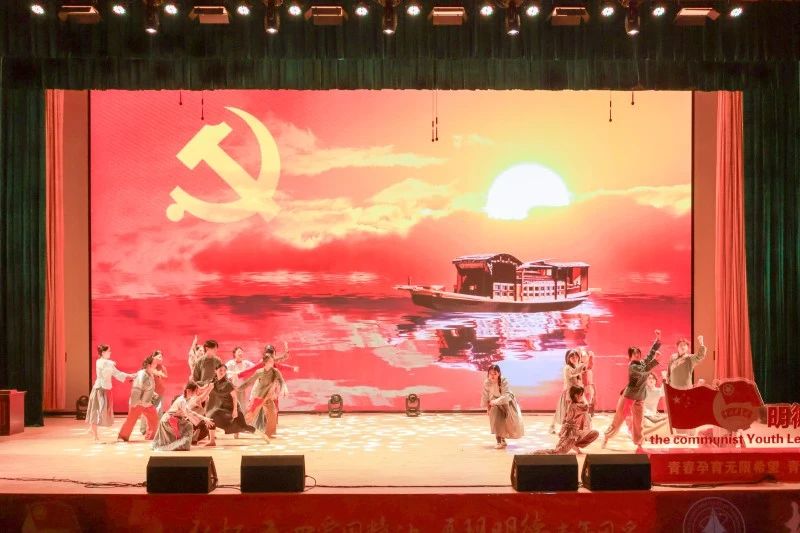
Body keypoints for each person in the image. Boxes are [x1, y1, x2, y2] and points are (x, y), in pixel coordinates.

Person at [601, 329, 661, 453]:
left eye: (638, 353)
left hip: (639, 397)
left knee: (638, 423)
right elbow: (644, 371)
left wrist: (657, 341)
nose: (637, 355)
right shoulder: (632, 366)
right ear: (630, 356)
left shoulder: (642, 363)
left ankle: (639, 443)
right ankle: (607, 437)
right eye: (634, 354)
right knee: (619, 419)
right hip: (629, 397)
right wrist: (655, 360)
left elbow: (649, 355)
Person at [86, 344, 134, 441]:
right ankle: (93, 432)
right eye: (108, 351)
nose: (110, 353)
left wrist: (129, 375)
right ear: (103, 352)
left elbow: (116, 373)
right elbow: (105, 370)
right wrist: (110, 363)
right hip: (100, 389)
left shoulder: (108, 363)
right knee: (96, 410)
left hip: (105, 389)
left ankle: (92, 430)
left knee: (99, 410)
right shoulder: (100, 362)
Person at [533, 385, 598, 455]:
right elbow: (586, 407)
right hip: (571, 434)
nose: (582, 396)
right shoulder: (576, 406)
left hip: (577, 433)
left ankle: (574, 445)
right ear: (576, 395)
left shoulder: (574, 404)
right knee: (558, 452)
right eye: (581, 395)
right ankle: (539, 454)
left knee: (594, 433)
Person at [152, 381, 216, 451]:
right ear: (189, 391)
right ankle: (182, 444)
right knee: (188, 426)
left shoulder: (185, 399)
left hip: (174, 420)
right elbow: (189, 413)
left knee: (189, 425)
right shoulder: (182, 400)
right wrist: (204, 418)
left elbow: (190, 412)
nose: (196, 393)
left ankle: (185, 442)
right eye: (195, 391)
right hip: (169, 421)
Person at [241, 351, 287, 439]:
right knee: (250, 414)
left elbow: (281, 380)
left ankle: (269, 434)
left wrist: (284, 389)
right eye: (270, 361)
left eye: (272, 361)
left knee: (272, 413)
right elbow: (249, 381)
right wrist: (239, 388)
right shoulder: (259, 372)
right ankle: (239, 428)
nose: (272, 363)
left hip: (268, 396)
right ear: (265, 362)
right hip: (259, 396)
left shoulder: (275, 371)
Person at [205, 362, 255, 442]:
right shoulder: (214, 382)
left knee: (244, 426)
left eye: (224, 371)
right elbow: (204, 389)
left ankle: (257, 432)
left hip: (233, 407)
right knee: (211, 417)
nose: (222, 372)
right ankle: (212, 441)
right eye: (220, 370)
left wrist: (235, 410)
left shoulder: (228, 384)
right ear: (215, 371)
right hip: (224, 407)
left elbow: (234, 398)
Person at [118, 355, 161, 442]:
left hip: (147, 402)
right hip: (138, 402)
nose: (156, 365)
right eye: (154, 364)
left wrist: (153, 394)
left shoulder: (150, 374)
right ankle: (122, 437)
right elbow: (137, 388)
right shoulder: (142, 374)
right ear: (149, 365)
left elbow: (148, 387)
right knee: (131, 419)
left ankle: (151, 436)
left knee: (154, 419)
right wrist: (134, 402)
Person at [481, 364, 524, 449]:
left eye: (495, 374)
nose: (492, 376)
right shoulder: (487, 382)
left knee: (505, 422)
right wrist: (488, 408)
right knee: (496, 420)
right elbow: (486, 396)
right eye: (490, 373)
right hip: (494, 402)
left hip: (506, 402)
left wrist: (495, 402)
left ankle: (503, 440)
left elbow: (506, 396)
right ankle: (498, 441)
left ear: (499, 373)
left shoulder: (503, 380)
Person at [549, 349, 586, 434]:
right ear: (568, 358)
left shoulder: (576, 367)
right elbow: (570, 377)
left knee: (575, 411)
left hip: (576, 393)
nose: (574, 358)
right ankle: (556, 427)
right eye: (572, 357)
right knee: (564, 411)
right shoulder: (567, 368)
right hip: (569, 392)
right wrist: (580, 371)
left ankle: (577, 428)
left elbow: (579, 381)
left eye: (576, 357)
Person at [139, 350, 168, 435]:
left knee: (159, 411)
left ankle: (158, 430)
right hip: (149, 392)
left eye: (161, 357)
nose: (161, 359)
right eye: (159, 357)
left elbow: (165, 376)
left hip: (160, 392)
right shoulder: (148, 366)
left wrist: (161, 374)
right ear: (153, 357)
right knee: (146, 411)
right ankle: (143, 429)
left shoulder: (162, 367)